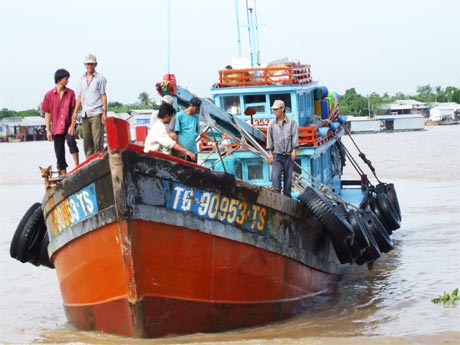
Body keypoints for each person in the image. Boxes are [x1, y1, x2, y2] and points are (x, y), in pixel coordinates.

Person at [41, 69, 80, 175]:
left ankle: (77, 167)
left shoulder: (70, 93)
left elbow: (73, 111)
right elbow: (47, 113)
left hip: (68, 125)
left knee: (72, 142)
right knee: (59, 152)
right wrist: (48, 130)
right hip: (56, 128)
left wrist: (72, 125)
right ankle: (63, 174)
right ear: (59, 79)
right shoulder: (48, 95)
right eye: (66, 78)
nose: (67, 80)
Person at [72, 54, 107, 158]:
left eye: (91, 64)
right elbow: (79, 97)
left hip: (96, 112)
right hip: (85, 114)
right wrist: (75, 112)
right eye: (87, 64)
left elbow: (103, 95)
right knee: (87, 142)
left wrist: (104, 113)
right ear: (85, 65)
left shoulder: (100, 78)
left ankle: (99, 161)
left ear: (95, 65)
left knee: (97, 141)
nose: (89, 66)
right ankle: (89, 162)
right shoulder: (81, 79)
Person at [266, 100, 299, 197]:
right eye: (273, 110)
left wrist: (294, 151)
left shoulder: (292, 122)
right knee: (275, 175)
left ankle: (287, 196)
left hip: (288, 155)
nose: (274, 111)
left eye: (276, 109)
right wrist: (270, 153)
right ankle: (277, 195)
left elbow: (294, 137)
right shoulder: (271, 124)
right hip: (277, 155)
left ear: (282, 109)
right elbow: (269, 139)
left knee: (288, 178)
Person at [174, 97, 202, 162]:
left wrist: (211, 139)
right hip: (183, 151)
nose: (197, 111)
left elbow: (199, 132)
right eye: (197, 108)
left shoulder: (196, 117)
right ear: (191, 106)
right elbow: (175, 134)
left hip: (193, 151)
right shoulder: (179, 116)